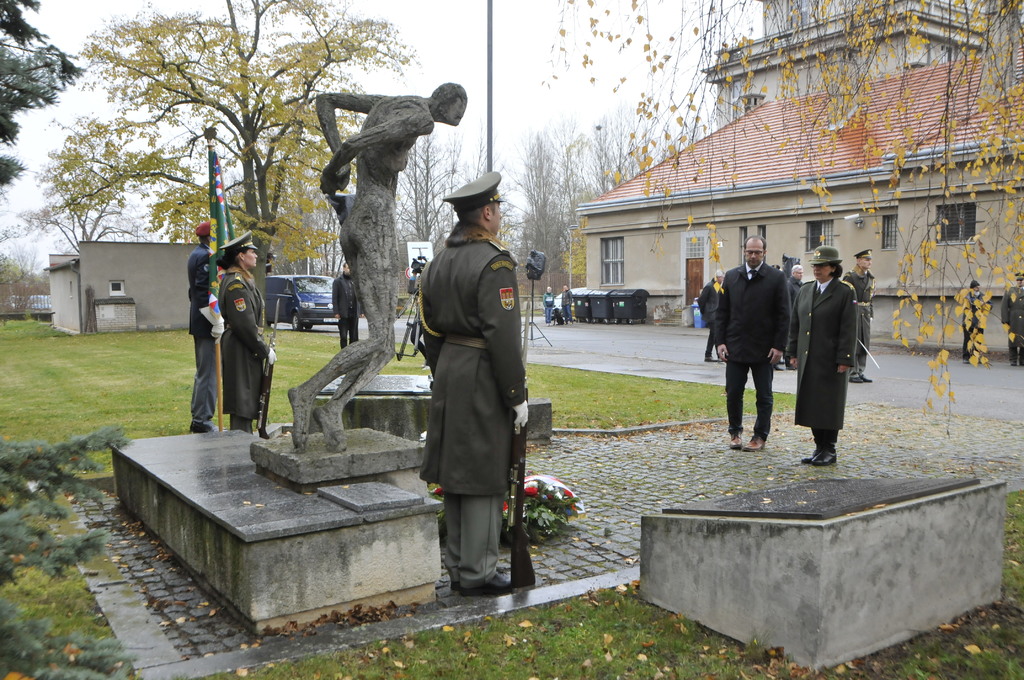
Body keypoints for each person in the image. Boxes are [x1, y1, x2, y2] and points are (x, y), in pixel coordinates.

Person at [418, 172, 529, 597]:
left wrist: (443, 367)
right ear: (486, 213)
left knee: (456, 471)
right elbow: (502, 336)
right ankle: (479, 571)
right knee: (482, 470)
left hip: (449, 369)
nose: (499, 215)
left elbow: (428, 329)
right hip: (482, 372)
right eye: (497, 209)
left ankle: (458, 567)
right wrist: (515, 394)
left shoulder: (438, 262)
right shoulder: (494, 261)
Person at [715, 235, 791, 452]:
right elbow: (722, 313)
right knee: (734, 393)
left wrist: (779, 346)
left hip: (765, 349)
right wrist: (720, 342)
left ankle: (760, 436)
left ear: (764, 253)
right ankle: (735, 432)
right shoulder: (731, 276)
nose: (754, 255)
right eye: (750, 252)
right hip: (735, 347)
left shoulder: (776, 277)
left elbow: (784, 315)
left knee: (764, 395)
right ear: (744, 252)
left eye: (758, 252)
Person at [786, 246, 857, 466]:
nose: (817, 269)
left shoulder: (844, 292)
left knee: (829, 404)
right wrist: (792, 351)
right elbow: (795, 324)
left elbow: (849, 327)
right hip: (809, 356)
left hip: (831, 358)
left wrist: (845, 358)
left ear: (833, 268)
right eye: (815, 266)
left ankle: (830, 449)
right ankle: (818, 447)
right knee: (812, 403)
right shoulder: (806, 290)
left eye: (822, 266)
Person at [218, 232, 275, 433]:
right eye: (252, 252)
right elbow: (244, 324)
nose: (256, 256)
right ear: (241, 256)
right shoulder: (236, 284)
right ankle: (240, 447)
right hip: (240, 345)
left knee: (249, 396)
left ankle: (246, 440)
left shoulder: (244, 280)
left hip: (245, 345)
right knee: (242, 399)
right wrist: (263, 349)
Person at [186, 221, 222, 433]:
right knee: (208, 373)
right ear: (211, 237)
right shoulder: (206, 257)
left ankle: (198, 416)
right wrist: (215, 319)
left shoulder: (196, 254)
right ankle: (202, 419)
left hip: (200, 321)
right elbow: (202, 291)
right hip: (207, 321)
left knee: (204, 371)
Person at [843, 249, 875, 383]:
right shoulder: (850, 276)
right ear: (858, 260)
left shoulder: (870, 277)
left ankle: (860, 370)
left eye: (869, 260)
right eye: (866, 259)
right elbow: (845, 296)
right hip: (854, 311)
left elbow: (871, 297)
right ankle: (852, 371)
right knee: (855, 342)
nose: (869, 262)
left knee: (864, 342)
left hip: (865, 313)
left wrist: (871, 313)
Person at [698, 270, 724, 362]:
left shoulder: (718, 287)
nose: (723, 279)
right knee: (716, 334)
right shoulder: (709, 286)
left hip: (716, 314)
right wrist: (704, 311)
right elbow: (701, 300)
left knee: (713, 335)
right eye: (722, 277)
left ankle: (708, 355)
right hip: (711, 315)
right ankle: (719, 355)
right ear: (717, 278)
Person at [332, 262, 359, 349]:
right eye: (348, 268)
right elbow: (335, 298)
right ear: (344, 268)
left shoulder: (355, 281)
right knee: (343, 336)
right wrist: (336, 312)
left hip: (354, 312)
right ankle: (343, 352)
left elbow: (359, 297)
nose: (349, 270)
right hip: (343, 312)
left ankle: (352, 353)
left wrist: (361, 311)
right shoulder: (338, 281)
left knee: (353, 336)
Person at [784, 264, 804, 369]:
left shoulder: (801, 285)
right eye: (799, 273)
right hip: (791, 316)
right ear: (793, 273)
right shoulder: (789, 284)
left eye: (802, 273)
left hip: (799, 316)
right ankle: (788, 362)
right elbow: (788, 301)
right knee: (789, 338)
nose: (801, 275)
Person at [1002, 273, 1024, 366]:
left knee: (1023, 340)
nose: (1020, 282)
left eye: (1021, 280)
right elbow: (1004, 306)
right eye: (1018, 280)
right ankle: (1013, 359)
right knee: (1012, 339)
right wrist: (1005, 319)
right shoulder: (1010, 290)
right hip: (1013, 318)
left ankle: (1022, 359)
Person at [962, 280, 986, 364]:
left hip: (979, 322)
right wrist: (979, 303)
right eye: (976, 287)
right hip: (969, 322)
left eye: (978, 287)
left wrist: (985, 304)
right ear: (972, 288)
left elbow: (990, 304)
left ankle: (976, 356)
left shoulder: (982, 296)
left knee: (978, 340)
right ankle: (966, 356)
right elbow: (970, 303)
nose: (977, 289)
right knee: (968, 340)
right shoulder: (967, 296)